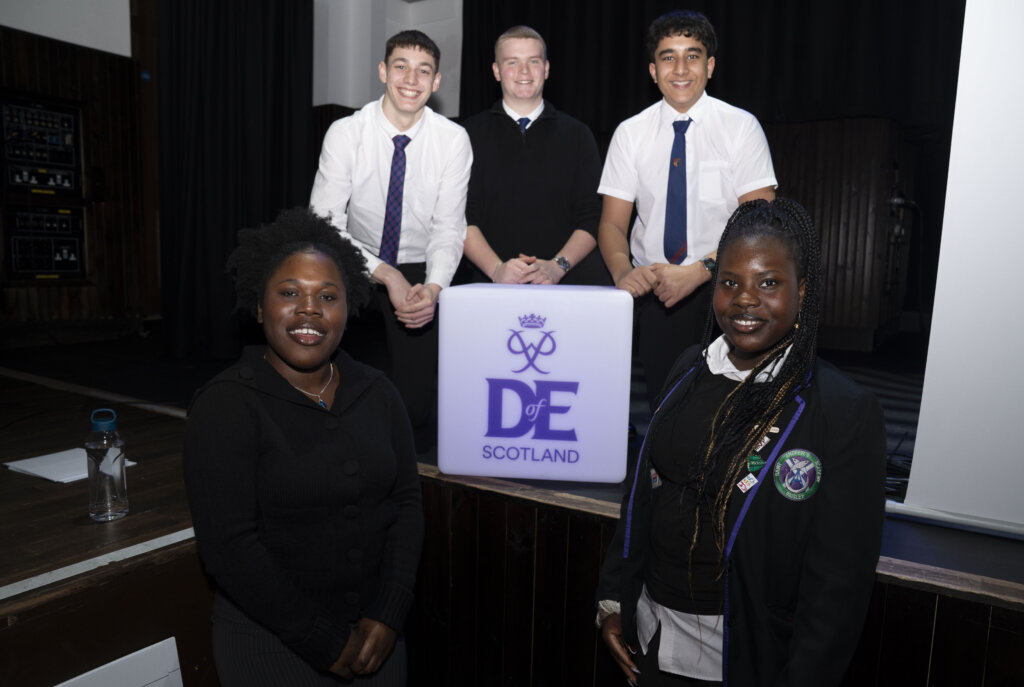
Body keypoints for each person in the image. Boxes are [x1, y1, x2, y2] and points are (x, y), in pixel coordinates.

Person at [596, 198, 887, 686]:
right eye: (730, 282)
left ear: (804, 290)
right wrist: (612, 600)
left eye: (768, 283)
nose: (745, 299)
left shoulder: (841, 411)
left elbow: (837, 590)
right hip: (648, 639)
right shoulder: (689, 366)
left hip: (741, 661)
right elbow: (643, 498)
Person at [184, 208, 424, 685]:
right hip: (269, 644)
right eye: (290, 293)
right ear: (259, 307)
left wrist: (389, 611)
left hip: (378, 642)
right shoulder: (225, 404)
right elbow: (229, 546)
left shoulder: (379, 392)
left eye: (327, 296)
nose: (309, 308)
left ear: (347, 308)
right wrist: (321, 639)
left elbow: (407, 503)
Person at [598, 10, 777, 410]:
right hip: (658, 292)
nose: (680, 68)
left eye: (692, 56)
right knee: (667, 409)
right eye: (668, 57)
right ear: (652, 69)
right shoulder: (630, 133)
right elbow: (612, 223)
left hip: (729, 288)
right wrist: (624, 272)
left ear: (710, 66)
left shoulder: (740, 127)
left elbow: (761, 222)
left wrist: (699, 271)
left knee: (728, 409)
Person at [309, 29, 472, 445]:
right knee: (322, 374)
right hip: (350, 256)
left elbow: (448, 225)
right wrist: (386, 274)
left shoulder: (453, 141)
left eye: (423, 71)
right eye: (401, 66)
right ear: (383, 71)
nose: (411, 80)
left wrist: (433, 288)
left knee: (415, 409)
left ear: (436, 82)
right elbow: (325, 222)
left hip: (420, 264)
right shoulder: (346, 132)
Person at [459, 25, 609, 286]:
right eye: (512, 62)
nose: (524, 72)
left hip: (568, 282)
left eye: (533, 61)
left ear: (547, 69)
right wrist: (496, 270)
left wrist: (556, 267)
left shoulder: (578, 135)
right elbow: (459, 216)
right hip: (487, 283)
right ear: (496, 71)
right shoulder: (466, 135)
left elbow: (593, 215)